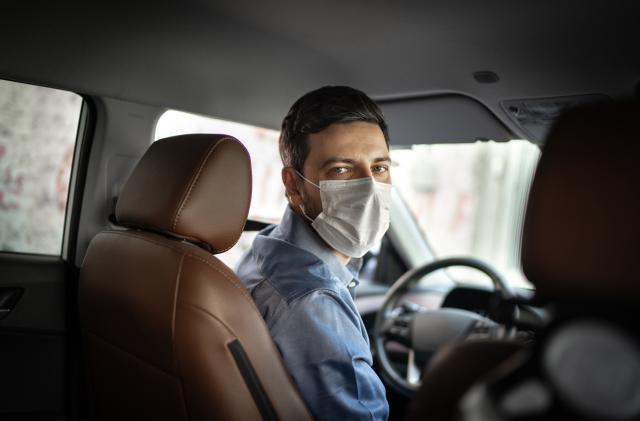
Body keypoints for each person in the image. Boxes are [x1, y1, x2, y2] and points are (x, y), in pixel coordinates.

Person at [236, 86, 391, 421]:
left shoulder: (268, 246)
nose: (369, 190)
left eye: (379, 168)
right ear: (294, 186)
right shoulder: (314, 300)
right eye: (341, 170)